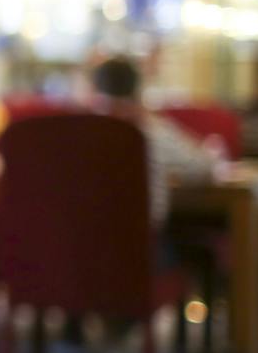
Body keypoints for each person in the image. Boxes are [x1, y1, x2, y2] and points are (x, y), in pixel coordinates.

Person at [90, 55, 217, 228]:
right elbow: (204, 168)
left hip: (78, 244)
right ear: (137, 92)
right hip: (141, 243)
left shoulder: (75, 136)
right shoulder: (153, 131)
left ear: (93, 91)